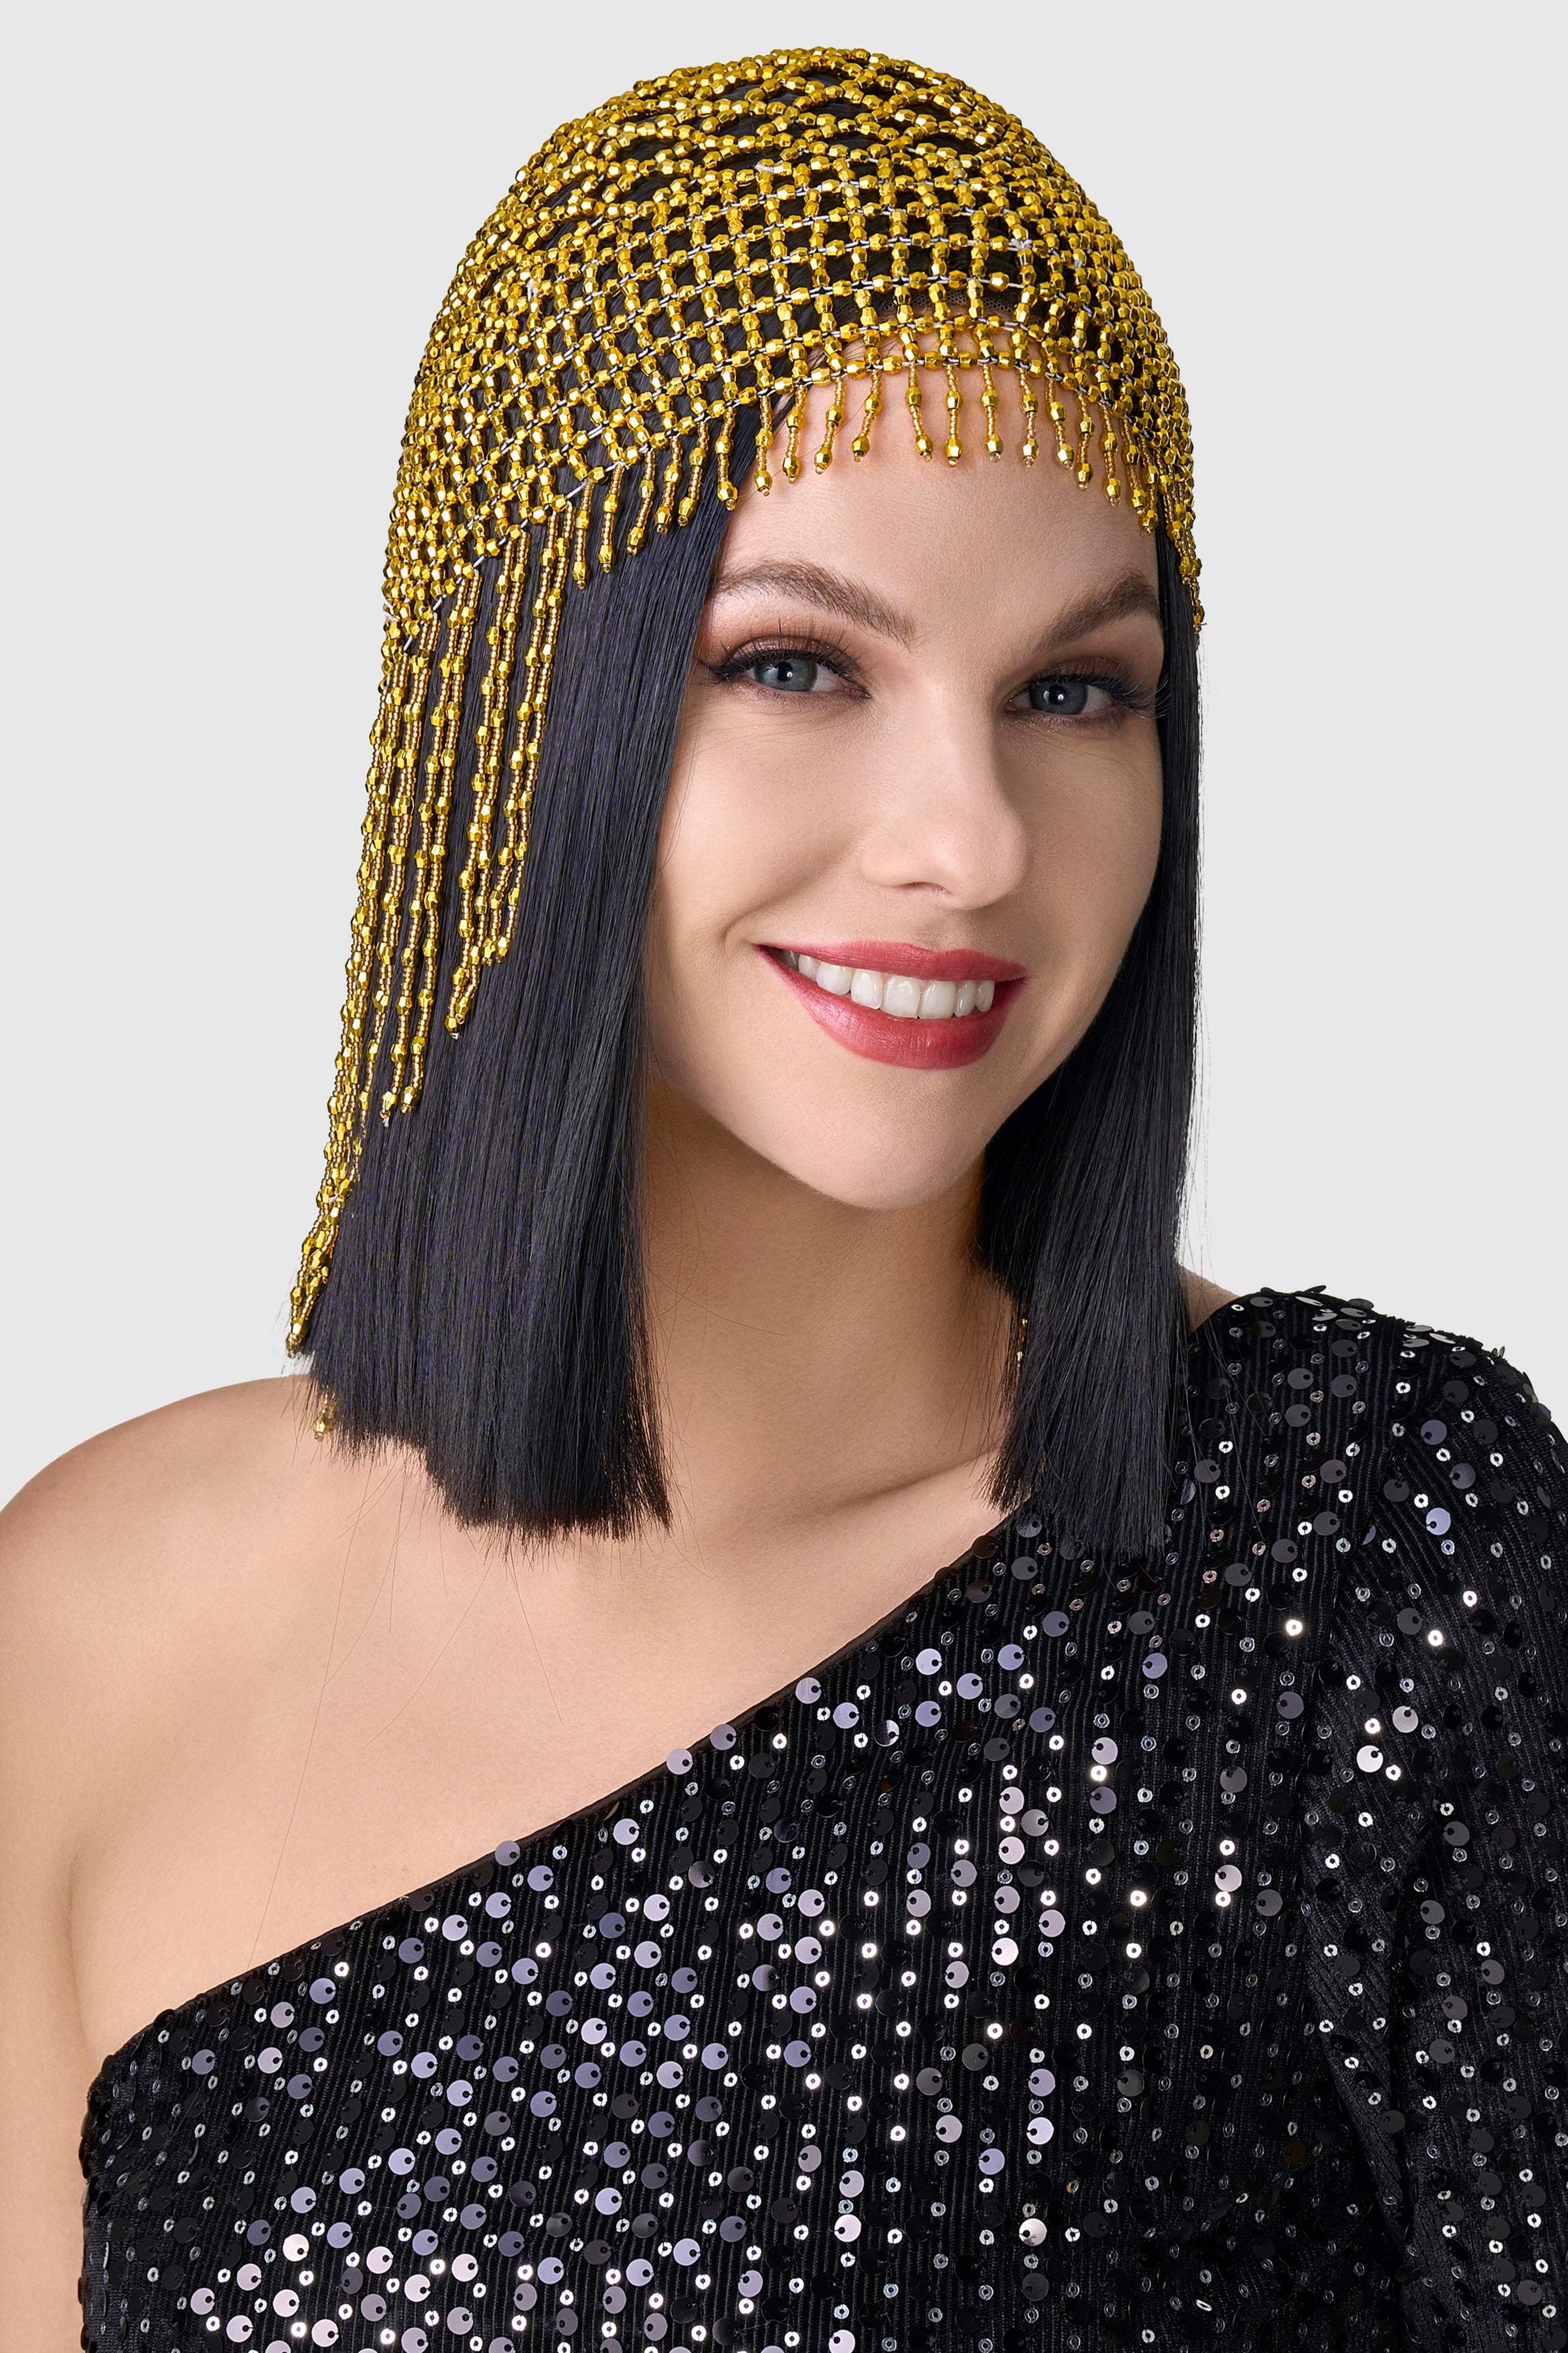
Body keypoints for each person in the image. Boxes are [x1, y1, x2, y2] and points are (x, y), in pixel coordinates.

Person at [1, 45, 1562, 2353]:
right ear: (514, 709)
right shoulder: (85, 1627)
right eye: (797, 663)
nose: (971, 839)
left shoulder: (1369, 1555)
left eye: (1077, 691)